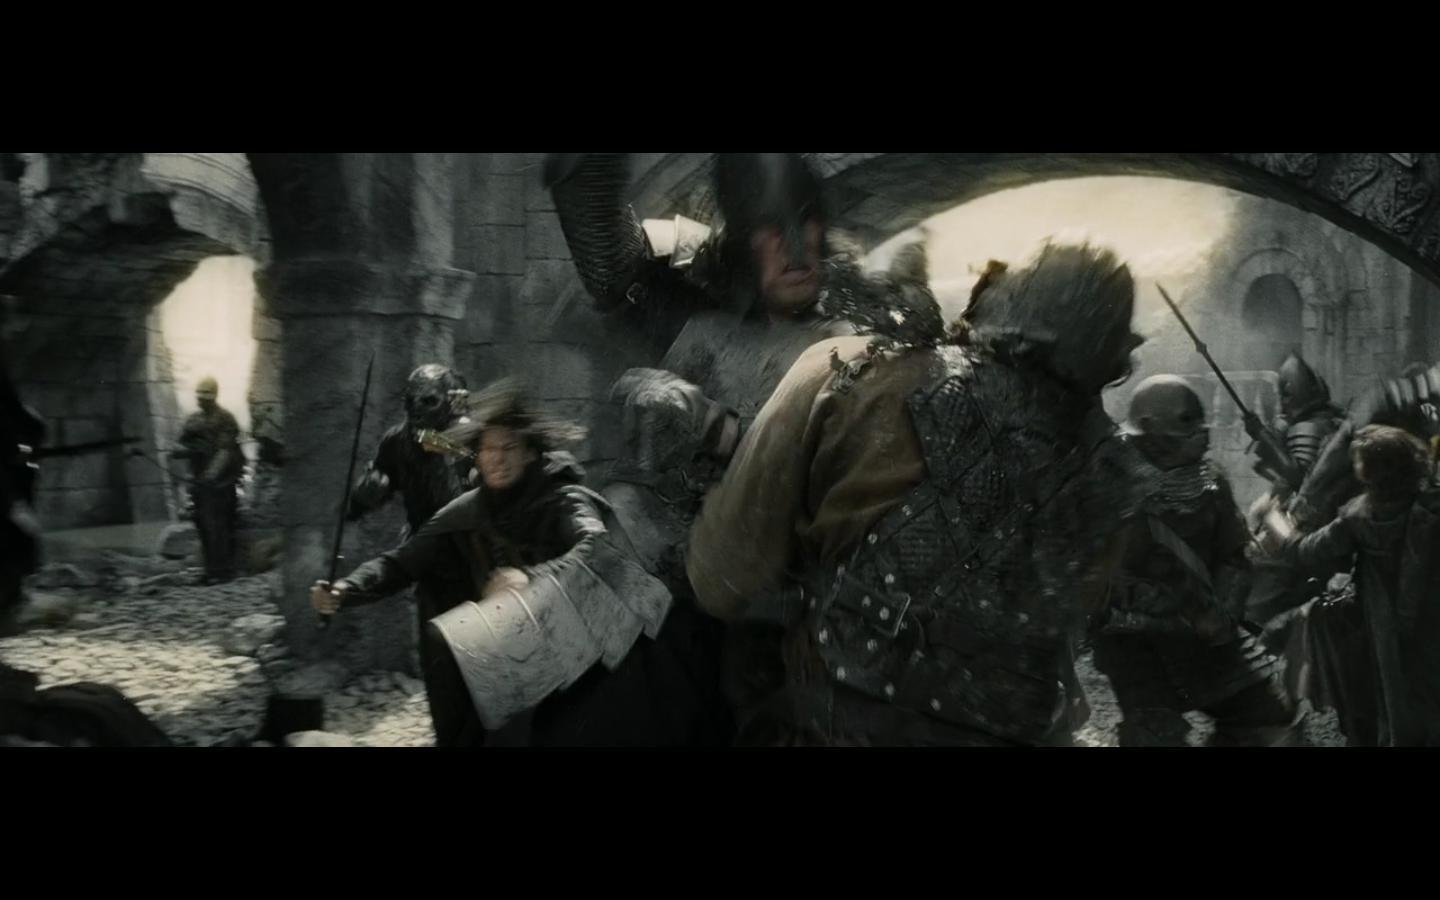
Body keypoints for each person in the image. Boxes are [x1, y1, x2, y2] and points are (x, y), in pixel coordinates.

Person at [686, 241, 1152, 747]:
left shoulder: (851, 369)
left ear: (1000, 301)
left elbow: (720, 581)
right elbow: (1069, 628)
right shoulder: (1112, 479)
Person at [547, 152, 944, 744]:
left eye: (805, 223)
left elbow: (877, 505)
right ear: (741, 240)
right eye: (770, 230)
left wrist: (722, 432)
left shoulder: (866, 337)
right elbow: (613, 272)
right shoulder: (699, 316)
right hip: (684, 604)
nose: (796, 249)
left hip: (803, 620)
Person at [311, 379, 726, 746]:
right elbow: (403, 562)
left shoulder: (563, 499)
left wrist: (531, 578)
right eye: (490, 449)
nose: (499, 458)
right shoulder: (469, 509)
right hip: (525, 644)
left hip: (587, 635)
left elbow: (598, 548)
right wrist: (345, 590)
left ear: (529, 453)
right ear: (477, 457)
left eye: (510, 447)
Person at [1088, 375, 1300, 747]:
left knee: (1270, 718)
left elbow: (1234, 553)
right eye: (1184, 430)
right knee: (1155, 735)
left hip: (1208, 631)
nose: (1199, 440)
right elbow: (1096, 574)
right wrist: (1148, 607)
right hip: (1138, 642)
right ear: (1150, 431)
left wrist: (1224, 610)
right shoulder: (1110, 488)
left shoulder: (1210, 481)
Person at [1260, 424, 1440, 746]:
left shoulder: (1359, 518)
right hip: (1430, 613)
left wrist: (1272, 518)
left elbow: (1304, 550)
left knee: (1390, 691)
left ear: (1369, 473)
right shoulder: (1431, 504)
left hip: (1383, 620)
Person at [345, 364, 474, 540]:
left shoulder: (473, 439)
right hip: (420, 539)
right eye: (411, 401)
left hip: (471, 541)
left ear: (451, 404)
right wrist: (363, 497)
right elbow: (366, 499)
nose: (416, 411)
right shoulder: (398, 440)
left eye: (429, 402)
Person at [169, 377, 244, 584]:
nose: (201, 398)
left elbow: (225, 451)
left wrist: (212, 474)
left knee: (220, 525)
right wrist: (178, 451)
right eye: (199, 394)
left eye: (206, 394)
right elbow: (183, 445)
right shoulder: (193, 420)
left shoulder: (225, 419)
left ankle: (222, 571)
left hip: (221, 483)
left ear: (214, 395)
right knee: (202, 524)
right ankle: (210, 570)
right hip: (199, 482)